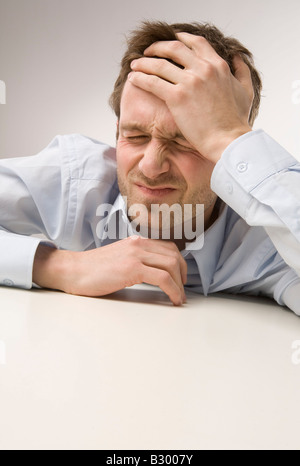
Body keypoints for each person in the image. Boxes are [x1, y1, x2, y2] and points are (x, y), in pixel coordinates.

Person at [0, 21, 299, 314]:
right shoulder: (76, 178)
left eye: (184, 141)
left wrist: (231, 136)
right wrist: (61, 267)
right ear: (117, 132)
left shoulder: (269, 233)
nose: (151, 166)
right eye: (136, 136)